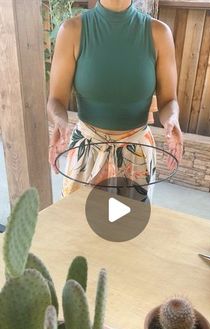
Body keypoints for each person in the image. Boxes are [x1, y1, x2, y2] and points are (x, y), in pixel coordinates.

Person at [47, 0, 183, 201]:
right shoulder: (72, 31)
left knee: (128, 227)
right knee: (79, 226)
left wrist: (172, 119)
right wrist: (59, 120)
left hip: (136, 155)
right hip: (88, 151)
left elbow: (169, 100)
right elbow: (56, 100)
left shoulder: (159, 34)